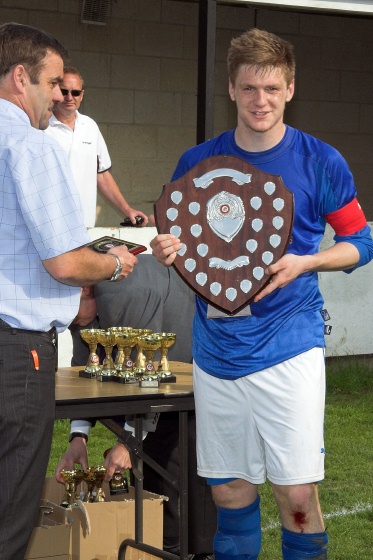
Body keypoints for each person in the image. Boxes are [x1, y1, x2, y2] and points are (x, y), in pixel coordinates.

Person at [149, 28, 373, 560]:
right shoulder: (196, 163)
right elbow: (188, 243)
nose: (261, 101)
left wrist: (309, 261)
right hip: (216, 350)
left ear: (290, 89)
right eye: (250, 88)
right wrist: (168, 247)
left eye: (272, 89)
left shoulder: (321, 161)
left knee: (296, 496)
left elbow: (360, 241)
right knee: (229, 493)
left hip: (287, 345)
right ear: (231, 88)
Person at [0, 22, 138, 560]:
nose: (61, 96)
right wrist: (114, 262)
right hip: (18, 351)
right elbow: (64, 262)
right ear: (20, 78)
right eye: (54, 83)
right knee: (12, 512)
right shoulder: (33, 146)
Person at [55, 254, 216, 559]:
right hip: (149, 379)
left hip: (190, 364)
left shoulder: (125, 293)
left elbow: (150, 373)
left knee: (193, 458)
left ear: (86, 289)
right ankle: (164, 545)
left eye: (65, 306)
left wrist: (128, 442)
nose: (66, 319)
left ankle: (204, 550)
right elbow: (83, 370)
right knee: (151, 460)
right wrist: (79, 437)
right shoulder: (78, 303)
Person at [44, 66, 148, 228]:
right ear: (55, 91)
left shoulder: (90, 126)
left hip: (84, 225)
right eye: (64, 91)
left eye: (76, 92)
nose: (70, 97)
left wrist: (128, 210)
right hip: (50, 223)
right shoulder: (41, 127)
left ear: (82, 95)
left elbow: (102, 175)